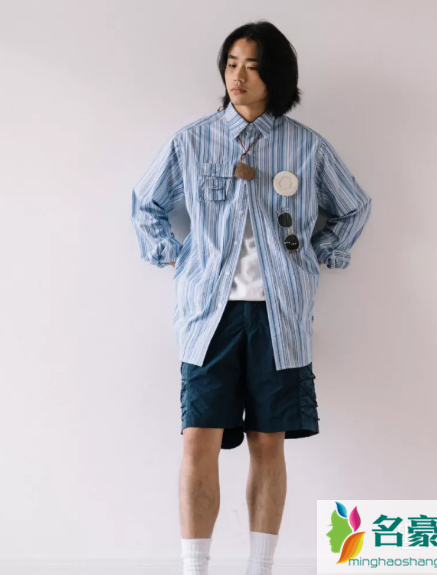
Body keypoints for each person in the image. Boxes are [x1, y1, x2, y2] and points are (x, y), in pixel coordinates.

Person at [131, 20, 372, 575]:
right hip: (208, 316)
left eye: (253, 66)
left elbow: (354, 206)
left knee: (268, 443)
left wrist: (319, 256)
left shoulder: (306, 146)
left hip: (278, 316)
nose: (238, 76)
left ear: (276, 76)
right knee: (198, 440)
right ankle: (195, 567)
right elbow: (145, 205)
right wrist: (176, 257)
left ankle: (260, 567)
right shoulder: (191, 141)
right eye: (232, 63)